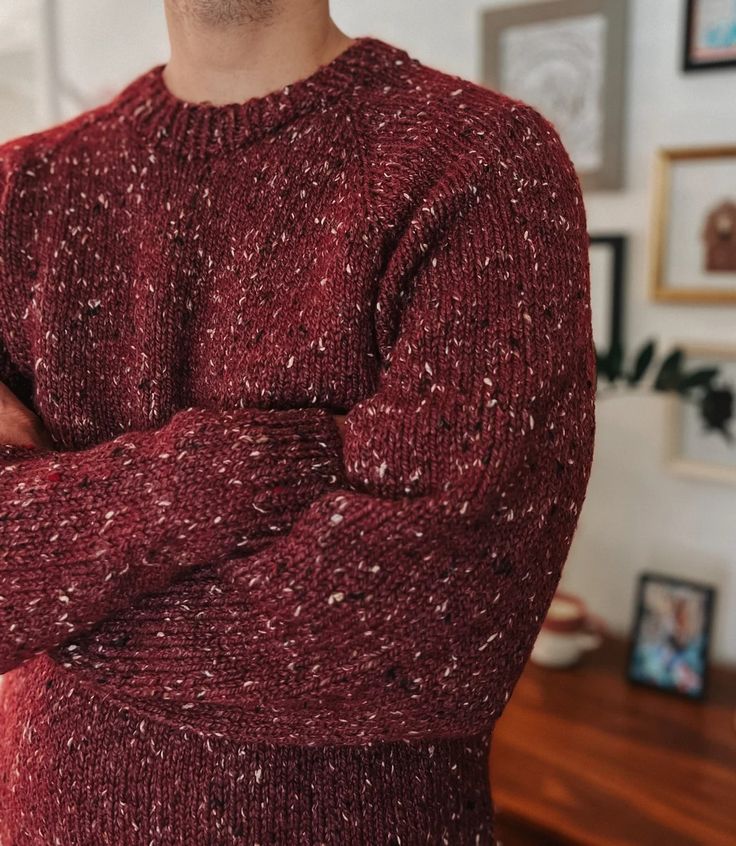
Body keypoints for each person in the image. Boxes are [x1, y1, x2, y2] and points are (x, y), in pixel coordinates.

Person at [0, 1, 596, 843]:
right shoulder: (18, 189)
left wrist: (54, 603)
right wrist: (217, 472)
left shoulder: (482, 164)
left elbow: (437, 633)